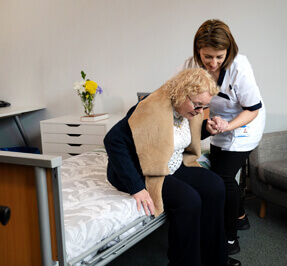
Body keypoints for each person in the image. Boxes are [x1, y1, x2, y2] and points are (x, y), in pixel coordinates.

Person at [103, 68, 241, 266]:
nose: (200, 111)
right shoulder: (149, 108)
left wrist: (206, 128)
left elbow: (176, 137)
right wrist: (137, 187)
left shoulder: (186, 111)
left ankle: (214, 259)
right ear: (181, 93)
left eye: (205, 106)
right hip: (138, 169)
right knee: (189, 201)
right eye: (197, 105)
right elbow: (113, 140)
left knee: (215, 185)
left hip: (168, 163)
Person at [177, 19, 266, 255]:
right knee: (219, 170)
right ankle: (240, 217)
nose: (213, 63)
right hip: (218, 122)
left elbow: (253, 108)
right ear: (198, 50)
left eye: (219, 56)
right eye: (208, 56)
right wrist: (207, 122)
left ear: (229, 51)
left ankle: (229, 239)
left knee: (223, 178)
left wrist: (227, 126)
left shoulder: (240, 67)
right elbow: (184, 97)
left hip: (245, 122)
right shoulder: (190, 65)